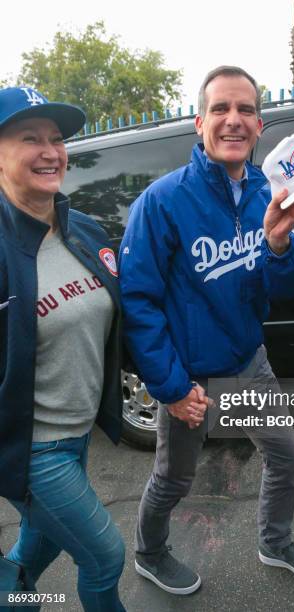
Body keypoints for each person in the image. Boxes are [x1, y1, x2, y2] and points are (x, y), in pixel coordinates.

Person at [119, 65, 294, 594]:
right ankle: (148, 552)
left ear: (261, 126)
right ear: (199, 123)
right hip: (192, 380)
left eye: (245, 110)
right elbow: (139, 303)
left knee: (286, 456)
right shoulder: (163, 201)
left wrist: (280, 246)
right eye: (221, 109)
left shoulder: (268, 192)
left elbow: (288, 282)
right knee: (174, 478)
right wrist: (169, 388)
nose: (233, 120)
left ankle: (275, 542)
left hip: (248, 363)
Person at [0, 87, 126, 611]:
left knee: (42, 539)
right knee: (104, 557)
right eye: (31, 138)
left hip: (77, 436)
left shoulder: (83, 231)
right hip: (33, 451)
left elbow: (121, 319)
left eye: (56, 139)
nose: (50, 151)